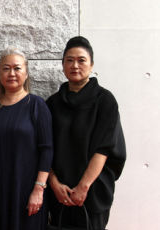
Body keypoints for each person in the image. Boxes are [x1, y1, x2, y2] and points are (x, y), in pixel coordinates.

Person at [46, 36, 126, 230]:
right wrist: (54, 184)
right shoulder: (52, 104)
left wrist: (83, 187)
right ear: (63, 64)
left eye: (81, 60)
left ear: (91, 65)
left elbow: (104, 148)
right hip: (60, 194)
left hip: (93, 191)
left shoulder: (105, 101)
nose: (75, 65)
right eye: (69, 60)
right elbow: (44, 149)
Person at [0, 47, 53, 230]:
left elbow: (47, 149)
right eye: (6, 68)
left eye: (17, 68)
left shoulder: (37, 105)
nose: (11, 73)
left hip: (27, 189)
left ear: (26, 73)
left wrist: (38, 189)